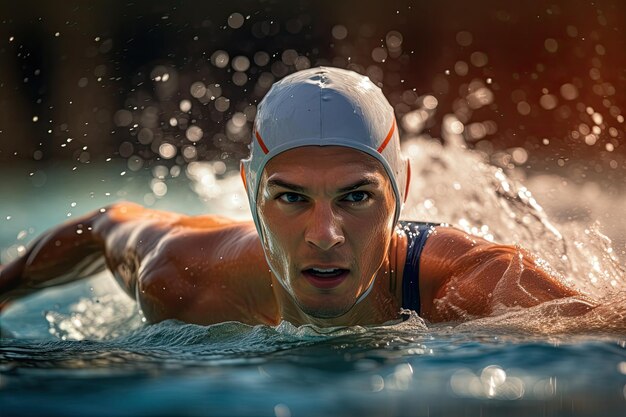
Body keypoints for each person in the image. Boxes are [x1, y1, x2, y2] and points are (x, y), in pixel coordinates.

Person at [0, 67, 593, 327]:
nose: (325, 235)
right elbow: (107, 225)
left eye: (356, 197)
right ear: (249, 195)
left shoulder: (471, 286)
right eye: (291, 199)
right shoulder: (184, 280)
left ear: (403, 190)